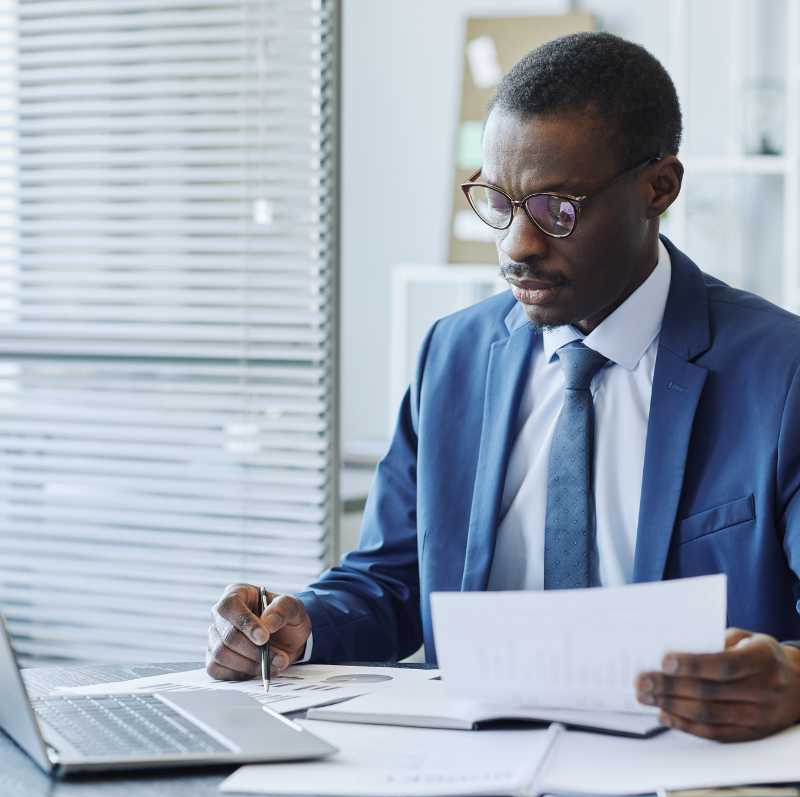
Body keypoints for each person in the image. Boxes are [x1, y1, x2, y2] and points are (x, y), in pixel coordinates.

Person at [206, 32, 800, 742]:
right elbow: (393, 579)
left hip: (687, 768)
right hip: (474, 765)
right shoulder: (452, 356)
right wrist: (302, 621)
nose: (517, 244)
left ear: (658, 188)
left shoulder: (781, 372)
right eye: (498, 201)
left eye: (557, 208)